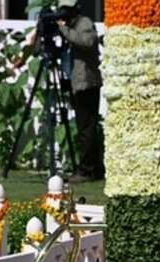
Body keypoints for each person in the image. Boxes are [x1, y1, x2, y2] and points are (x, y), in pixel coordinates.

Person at [56, 0, 103, 181]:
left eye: (66, 10)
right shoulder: (71, 26)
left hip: (87, 84)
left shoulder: (84, 23)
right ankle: (93, 168)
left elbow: (87, 41)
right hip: (77, 83)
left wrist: (64, 30)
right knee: (85, 128)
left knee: (86, 129)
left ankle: (87, 170)